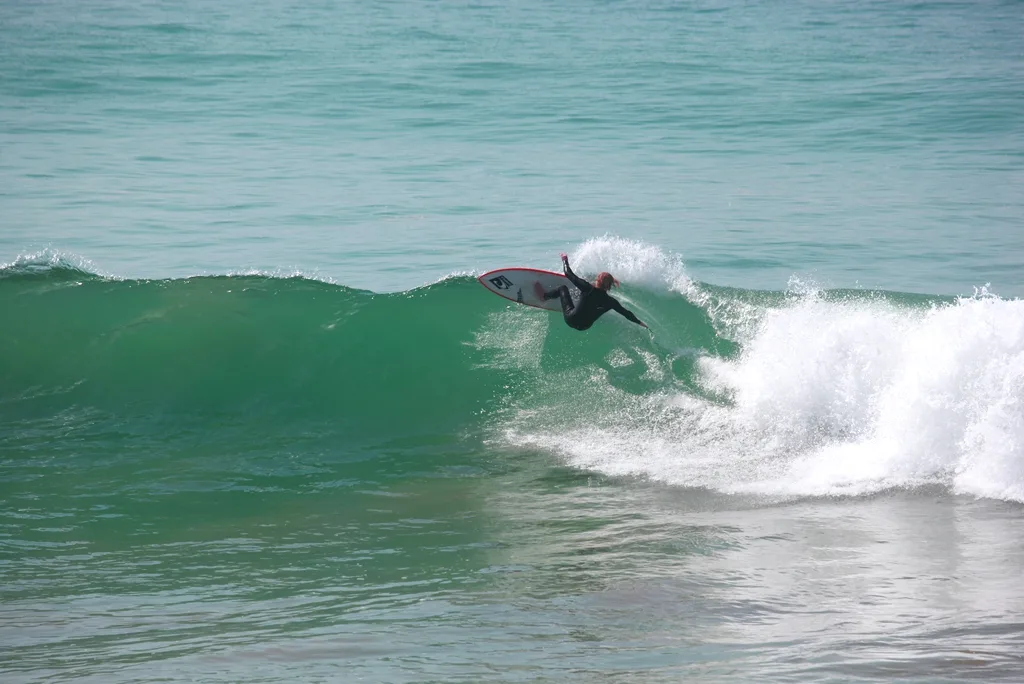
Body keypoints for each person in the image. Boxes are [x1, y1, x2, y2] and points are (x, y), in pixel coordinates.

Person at [535, 253, 648, 331]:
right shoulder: (610, 301)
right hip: (585, 326)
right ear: (609, 286)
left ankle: (544, 296)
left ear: (597, 280)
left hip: (571, 319)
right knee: (602, 306)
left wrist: (564, 259)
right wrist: (640, 323)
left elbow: (568, 274)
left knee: (562, 288)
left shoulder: (587, 288)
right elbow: (626, 313)